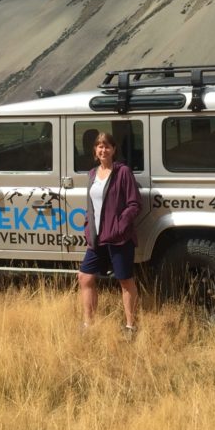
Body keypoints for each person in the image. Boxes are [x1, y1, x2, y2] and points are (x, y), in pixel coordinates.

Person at [78, 131, 142, 334]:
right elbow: (91, 205)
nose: (103, 150)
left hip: (119, 239)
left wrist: (120, 226)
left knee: (125, 281)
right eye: (99, 146)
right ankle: (89, 324)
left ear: (114, 149)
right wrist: (89, 227)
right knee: (85, 277)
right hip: (97, 238)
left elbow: (134, 204)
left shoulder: (123, 172)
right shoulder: (92, 174)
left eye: (107, 146)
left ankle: (131, 326)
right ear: (95, 150)